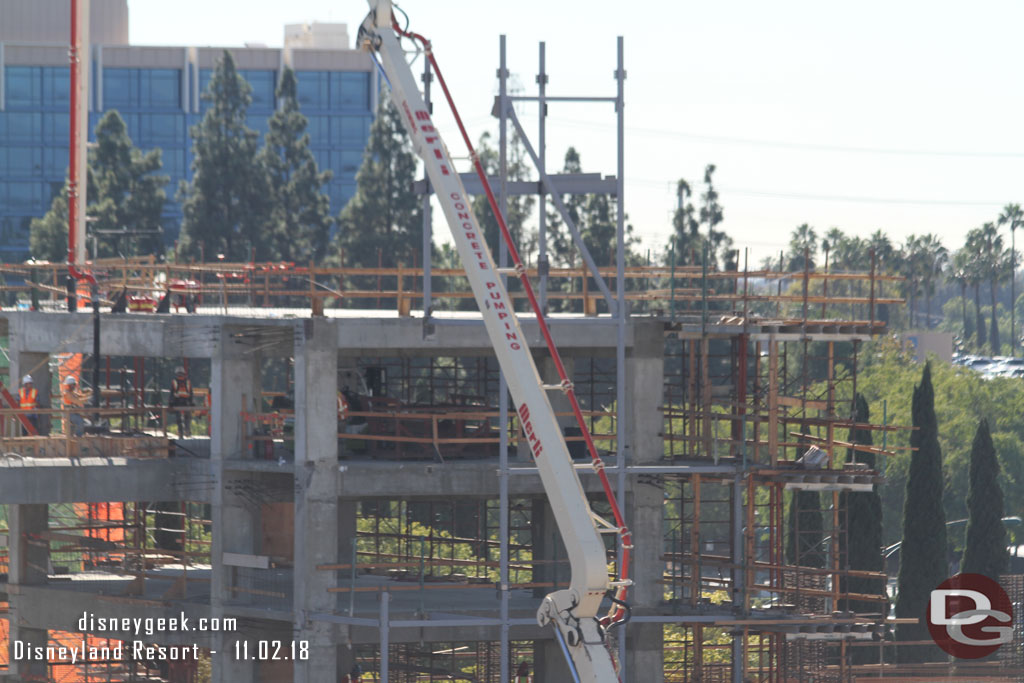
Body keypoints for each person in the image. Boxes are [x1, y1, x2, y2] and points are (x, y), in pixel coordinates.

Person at [170, 366, 193, 437]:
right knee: (187, 418)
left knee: (179, 419)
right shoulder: (188, 382)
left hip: (178, 402)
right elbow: (191, 393)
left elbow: (172, 393)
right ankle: (187, 432)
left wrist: (170, 403)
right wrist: (191, 402)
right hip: (186, 402)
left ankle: (181, 433)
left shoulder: (174, 381)